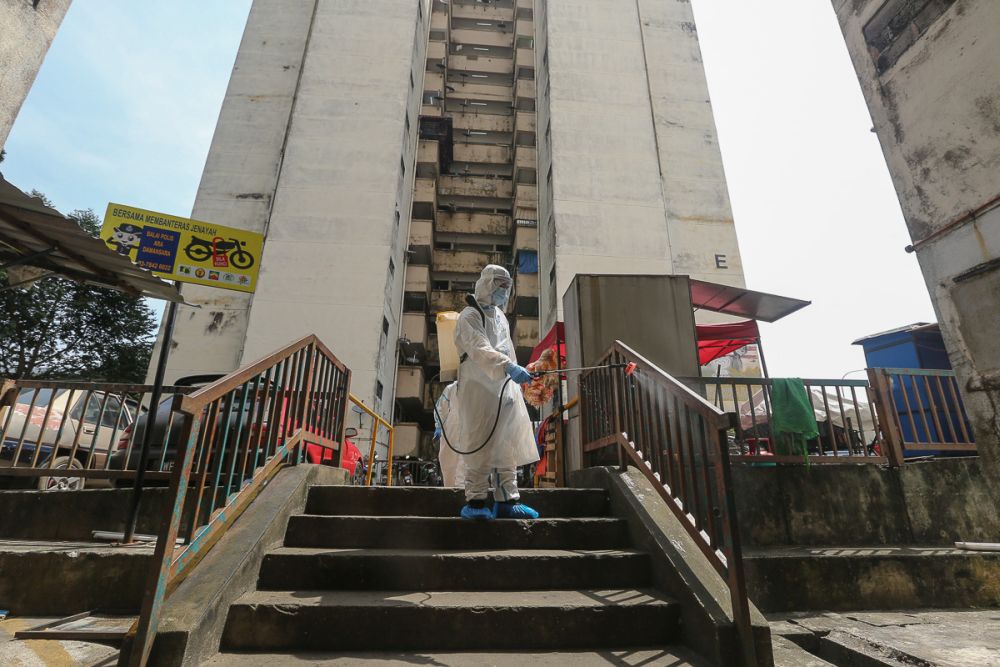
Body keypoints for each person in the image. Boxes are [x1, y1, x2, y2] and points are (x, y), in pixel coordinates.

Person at [454, 264, 540, 520]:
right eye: (499, 285)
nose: (503, 291)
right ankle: (476, 502)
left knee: (506, 446)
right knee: (479, 445)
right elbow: (479, 348)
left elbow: (506, 350)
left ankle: (508, 501)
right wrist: (508, 367)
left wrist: (517, 372)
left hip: (504, 390)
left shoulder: (501, 317)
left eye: (507, 286)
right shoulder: (469, 315)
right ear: (487, 284)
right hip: (478, 392)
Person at [433, 381, 467, 488]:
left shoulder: (476, 388)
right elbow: (440, 407)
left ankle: (460, 489)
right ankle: (449, 489)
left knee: (464, 462)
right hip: (450, 428)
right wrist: (438, 425)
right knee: (447, 461)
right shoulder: (451, 388)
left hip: (468, 429)